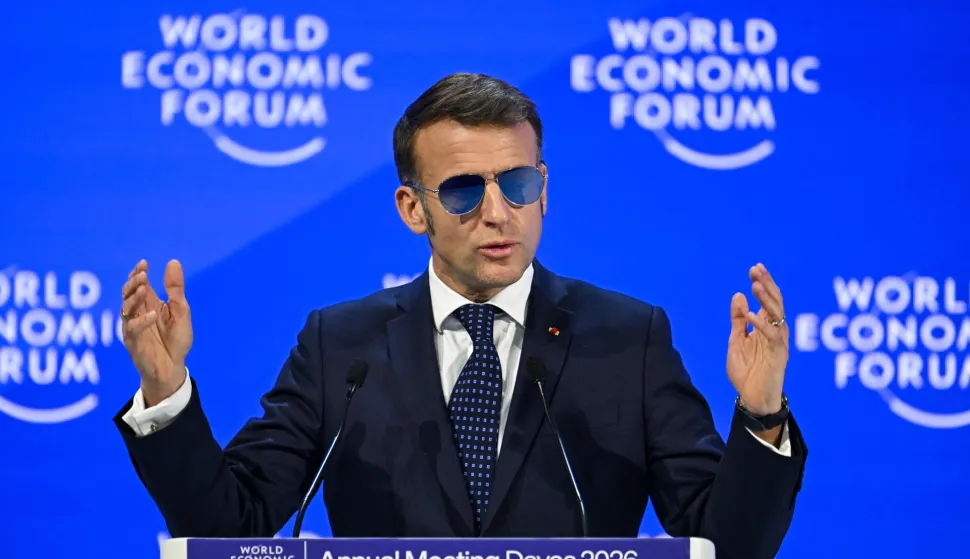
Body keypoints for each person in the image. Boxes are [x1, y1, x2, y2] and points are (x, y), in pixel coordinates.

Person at [114, 73, 806, 558]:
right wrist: (168, 395)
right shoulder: (340, 345)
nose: (498, 211)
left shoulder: (628, 338)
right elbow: (230, 523)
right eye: (465, 189)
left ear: (544, 191)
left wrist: (762, 413)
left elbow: (728, 545)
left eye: (519, 182)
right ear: (412, 208)